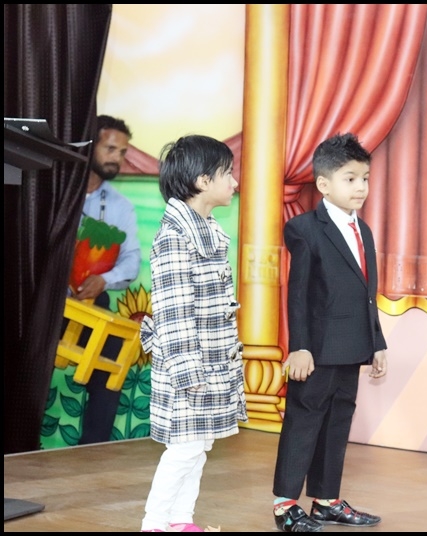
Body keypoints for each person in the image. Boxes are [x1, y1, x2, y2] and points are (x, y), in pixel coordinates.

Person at [272, 132, 388, 533]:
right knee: (303, 422)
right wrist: (300, 347)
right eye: (350, 178)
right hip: (317, 350)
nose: (361, 187)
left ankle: (325, 500)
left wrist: (377, 343)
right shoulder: (303, 229)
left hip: (352, 346)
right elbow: (298, 293)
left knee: (338, 422)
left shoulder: (364, 230)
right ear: (323, 184)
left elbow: (367, 293)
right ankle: (285, 505)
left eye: (365, 178)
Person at [138, 134, 247, 533]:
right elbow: (174, 313)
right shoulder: (175, 237)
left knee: (198, 446)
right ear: (203, 181)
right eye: (227, 173)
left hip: (210, 364)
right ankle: (154, 523)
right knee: (184, 449)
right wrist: (188, 372)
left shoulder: (206, 230)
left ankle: (180, 520)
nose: (234, 181)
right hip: (188, 368)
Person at [71, 114, 141, 445]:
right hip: (46, 300)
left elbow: (132, 261)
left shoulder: (121, 206)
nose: (117, 158)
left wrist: (104, 279)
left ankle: (92, 450)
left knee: (111, 362)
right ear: (89, 145)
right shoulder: (54, 190)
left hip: (93, 301)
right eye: (110, 149)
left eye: (122, 152)